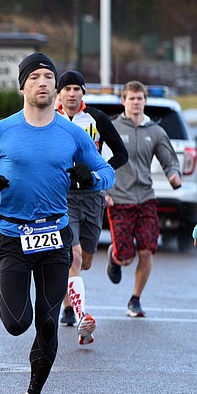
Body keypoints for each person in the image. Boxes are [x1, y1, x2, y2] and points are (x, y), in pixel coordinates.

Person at [0, 52, 114, 394]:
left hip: (55, 236)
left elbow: (107, 172)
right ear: (23, 86)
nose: (43, 82)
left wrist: (90, 178)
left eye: (49, 77)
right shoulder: (2, 130)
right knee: (17, 323)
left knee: (47, 321)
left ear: (57, 89)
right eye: (35, 78)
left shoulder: (73, 133)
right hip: (12, 235)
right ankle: (11, 302)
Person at [54, 70, 128, 342]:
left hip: (92, 197)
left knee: (84, 261)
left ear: (83, 93)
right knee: (71, 256)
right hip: (62, 198)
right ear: (58, 94)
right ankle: (78, 312)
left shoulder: (96, 119)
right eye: (67, 89)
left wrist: (97, 173)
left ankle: (69, 299)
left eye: (76, 89)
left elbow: (121, 153)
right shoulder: (51, 119)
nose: (72, 94)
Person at [103, 80, 182, 318]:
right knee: (126, 257)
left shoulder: (155, 131)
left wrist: (173, 174)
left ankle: (135, 299)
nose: (136, 103)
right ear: (123, 101)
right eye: (132, 98)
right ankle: (114, 258)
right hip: (120, 199)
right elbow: (98, 161)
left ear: (145, 101)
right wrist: (104, 191)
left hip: (146, 198)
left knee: (147, 250)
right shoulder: (112, 129)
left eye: (140, 99)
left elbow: (169, 159)